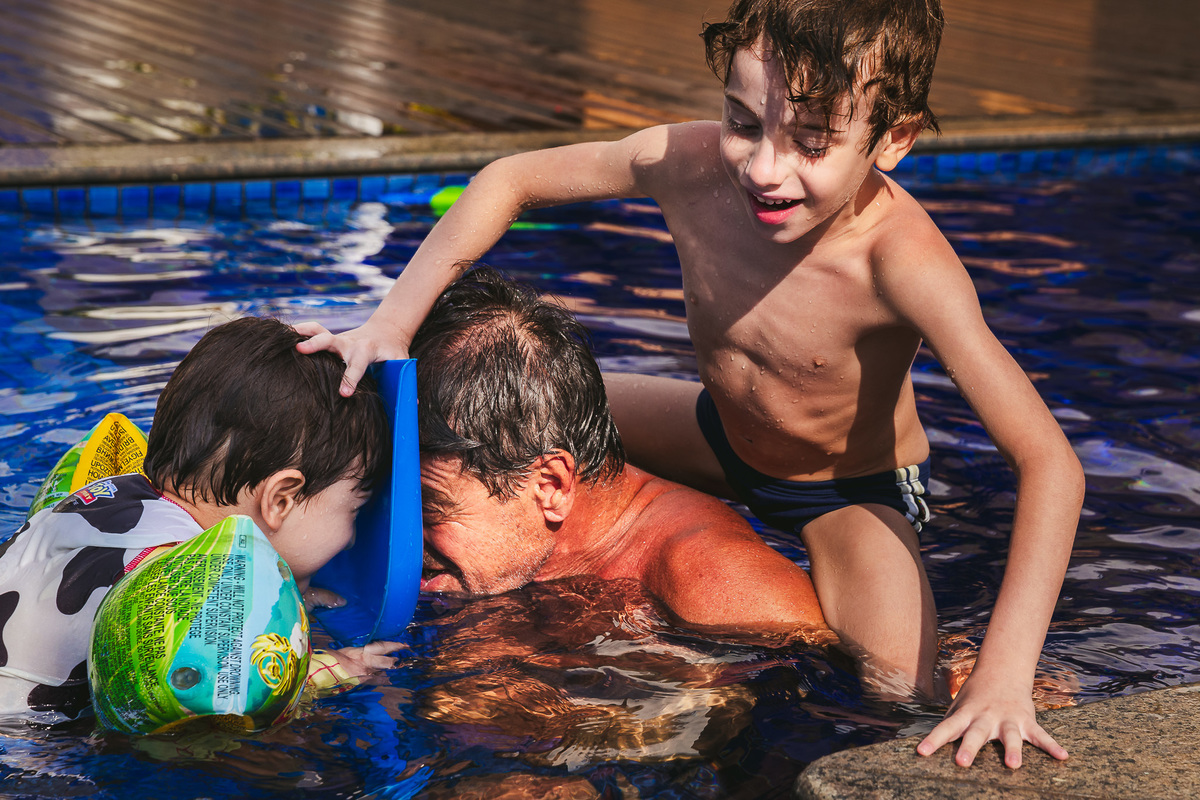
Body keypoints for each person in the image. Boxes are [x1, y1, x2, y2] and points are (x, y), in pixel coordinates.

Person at [296, 0, 1084, 769]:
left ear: (894, 139)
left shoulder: (902, 263)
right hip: (714, 430)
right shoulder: (689, 164)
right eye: (743, 122)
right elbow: (510, 180)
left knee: (895, 700)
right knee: (508, 418)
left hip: (844, 489)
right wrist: (392, 324)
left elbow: (1050, 463)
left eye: (812, 142)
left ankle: (956, 659)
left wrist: (1005, 675)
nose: (764, 168)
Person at [0, 316, 399, 721]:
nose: (351, 539)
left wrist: (298, 598)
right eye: (354, 510)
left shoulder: (112, 496)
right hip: (27, 740)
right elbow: (218, 701)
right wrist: (331, 672)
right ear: (280, 500)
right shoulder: (179, 589)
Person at [410, 267, 827, 639]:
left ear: (550, 485)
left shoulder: (724, 594)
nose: (399, 534)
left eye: (429, 509)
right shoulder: (505, 538)